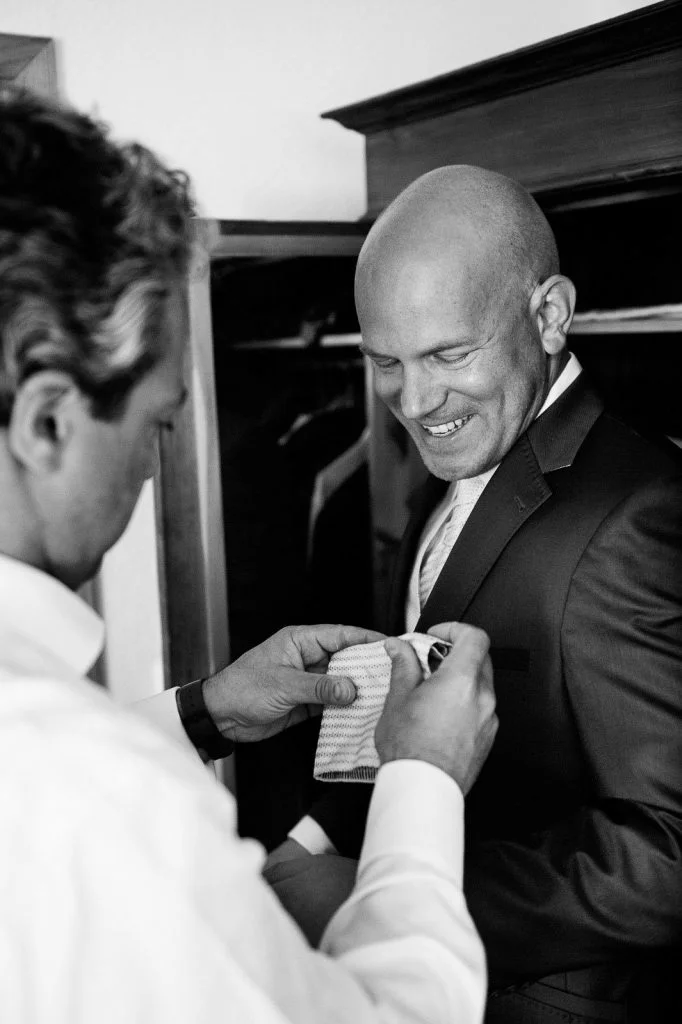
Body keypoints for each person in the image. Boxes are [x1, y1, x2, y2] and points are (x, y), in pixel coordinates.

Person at [0, 88, 501, 1023]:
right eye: (156, 426)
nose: (150, 468)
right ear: (49, 421)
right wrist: (424, 779)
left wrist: (209, 710)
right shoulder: (101, 800)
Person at [267, 166, 682, 1023]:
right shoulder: (462, 462)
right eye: (385, 362)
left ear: (550, 315)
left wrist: (382, 895)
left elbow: (669, 853)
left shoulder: (640, 513)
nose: (415, 403)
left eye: (450, 355)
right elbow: (421, 725)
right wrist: (305, 845)